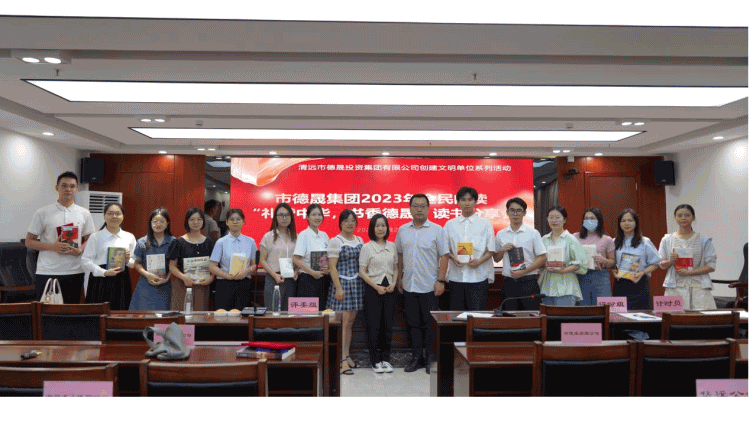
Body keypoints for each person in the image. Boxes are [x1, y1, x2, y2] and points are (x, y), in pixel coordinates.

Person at [396, 194, 449, 373]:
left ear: (428, 208)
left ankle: (429, 359)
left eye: (423, 206)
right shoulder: (403, 230)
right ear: (410, 208)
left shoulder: (437, 230)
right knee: (412, 323)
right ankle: (416, 358)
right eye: (415, 206)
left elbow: (445, 256)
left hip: (429, 286)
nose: (419, 209)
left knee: (429, 324)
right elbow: (400, 255)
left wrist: (440, 280)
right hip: (409, 285)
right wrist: (399, 277)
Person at [25, 171, 96, 303]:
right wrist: (52, 247)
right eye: (64, 186)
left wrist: (80, 250)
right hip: (47, 271)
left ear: (76, 189)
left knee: (71, 311)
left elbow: (91, 238)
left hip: (75, 271)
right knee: (47, 312)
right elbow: (29, 242)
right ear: (57, 188)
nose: (68, 189)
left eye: (72, 186)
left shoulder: (84, 213)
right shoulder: (42, 212)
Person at [443, 186, 496, 310]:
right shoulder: (450, 224)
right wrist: (453, 258)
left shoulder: (485, 223)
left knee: (477, 315)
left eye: (470, 199)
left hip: (478, 278)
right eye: (463, 200)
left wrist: (480, 261)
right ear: (458, 202)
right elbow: (445, 249)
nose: (467, 203)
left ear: (475, 201)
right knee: (457, 315)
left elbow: (491, 250)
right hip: (456, 278)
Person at [658, 204, 718, 310]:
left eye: (687, 215)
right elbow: (661, 264)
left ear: (693, 217)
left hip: (699, 286)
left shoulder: (703, 239)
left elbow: (711, 266)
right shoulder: (667, 239)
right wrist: (670, 261)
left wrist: (691, 272)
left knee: (703, 318)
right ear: (675, 218)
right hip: (674, 286)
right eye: (679, 215)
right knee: (672, 317)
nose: (683, 218)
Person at [326, 209, 365, 375]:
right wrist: (338, 287)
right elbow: (332, 267)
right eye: (346, 220)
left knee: (350, 323)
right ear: (340, 223)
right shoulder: (335, 241)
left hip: (356, 285)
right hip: (342, 284)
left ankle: (347, 355)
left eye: (353, 220)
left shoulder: (360, 240)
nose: (350, 223)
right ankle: (341, 360)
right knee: (343, 323)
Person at [359, 214, 398, 373]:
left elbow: (396, 267)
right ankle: (375, 361)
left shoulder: (392, 246)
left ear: (387, 228)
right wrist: (376, 287)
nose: (380, 228)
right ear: (372, 228)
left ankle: (386, 359)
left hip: (390, 289)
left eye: (383, 225)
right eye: (377, 226)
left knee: (388, 326)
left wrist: (394, 283)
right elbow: (362, 271)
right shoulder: (367, 247)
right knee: (374, 326)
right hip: (373, 289)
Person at [81, 202, 137, 310]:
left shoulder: (129, 237)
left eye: (117, 213)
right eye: (110, 213)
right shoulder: (95, 237)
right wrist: (104, 272)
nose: (114, 216)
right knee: (98, 313)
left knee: (120, 312)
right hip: (100, 280)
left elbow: (135, 263)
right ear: (104, 216)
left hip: (121, 280)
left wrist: (127, 261)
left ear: (123, 216)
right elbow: (85, 260)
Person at [495, 197, 547, 310]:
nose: (515, 214)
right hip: (509, 282)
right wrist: (502, 249)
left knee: (531, 314)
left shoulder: (533, 233)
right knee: (509, 315)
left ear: (524, 213)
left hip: (528, 281)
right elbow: (496, 259)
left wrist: (524, 272)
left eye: (519, 210)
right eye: (512, 210)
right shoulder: (500, 234)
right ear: (507, 212)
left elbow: (542, 257)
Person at [538, 206, 588, 306]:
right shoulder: (544, 239)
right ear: (547, 219)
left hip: (566, 287)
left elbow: (580, 264)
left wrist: (563, 270)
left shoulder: (571, 239)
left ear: (564, 220)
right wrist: (544, 265)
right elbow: (539, 260)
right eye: (551, 217)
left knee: (564, 315)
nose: (554, 220)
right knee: (547, 316)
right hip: (547, 286)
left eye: (557, 217)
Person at [209, 209, 257, 310]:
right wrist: (228, 276)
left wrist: (246, 271)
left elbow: (254, 265)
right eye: (232, 219)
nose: (235, 222)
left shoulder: (250, 242)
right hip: (224, 283)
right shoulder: (220, 242)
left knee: (243, 315)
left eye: (238, 219)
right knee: (223, 315)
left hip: (244, 283)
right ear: (227, 222)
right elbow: (212, 266)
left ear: (243, 222)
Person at [168, 207, 215, 311]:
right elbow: (172, 266)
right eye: (192, 219)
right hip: (182, 284)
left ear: (203, 221)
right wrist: (184, 277)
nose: (196, 222)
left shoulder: (209, 242)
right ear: (187, 221)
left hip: (202, 285)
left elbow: (213, 265)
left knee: (200, 314)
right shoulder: (178, 242)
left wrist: (211, 278)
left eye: (199, 219)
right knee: (181, 314)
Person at [613, 208, 660, 310]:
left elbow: (656, 263)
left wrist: (643, 272)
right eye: (623, 221)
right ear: (619, 224)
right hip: (620, 283)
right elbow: (612, 263)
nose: (626, 223)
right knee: (619, 316)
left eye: (630, 220)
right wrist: (613, 271)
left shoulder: (644, 241)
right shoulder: (614, 242)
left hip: (639, 283)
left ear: (636, 223)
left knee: (641, 315)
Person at [129, 208, 175, 310]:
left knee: (164, 316)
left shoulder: (173, 242)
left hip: (165, 285)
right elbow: (137, 263)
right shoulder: (142, 242)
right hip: (146, 285)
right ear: (150, 223)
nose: (158, 224)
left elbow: (175, 264)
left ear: (167, 224)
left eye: (162, 221)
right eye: (155, 221)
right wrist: (147, 274)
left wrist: (167, 278)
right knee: (144, 316)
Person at [259, 203, 298, 311]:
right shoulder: (268, 236)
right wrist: (274, 275)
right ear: (275, 217)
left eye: (287, 215)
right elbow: (262, 260)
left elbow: (299, 260)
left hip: (291, 279)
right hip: (273, 278)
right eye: (281, 215)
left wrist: (296, 271)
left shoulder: (296, 237)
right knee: (272, 312)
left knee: (289, 313)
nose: (284, 218)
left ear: (291, 217)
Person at [573, 207, 616, 306]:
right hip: (581, 275)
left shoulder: (607, 239)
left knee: (602, 307)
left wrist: (604, 260)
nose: (589, 221)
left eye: (592, 218)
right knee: (583, 308)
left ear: (599, 221)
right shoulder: (575, 237)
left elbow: (612, 262)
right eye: (586, 218)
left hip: (600, 276)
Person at [293, 204, 331, 310]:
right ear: (307, 217)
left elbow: (328, 257)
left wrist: (328, 268)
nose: (317, 217)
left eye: (319, 215)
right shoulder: (303, 235)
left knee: (322, 313)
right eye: (314, 215)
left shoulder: (324, 235)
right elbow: (296, 259)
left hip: (323, 279)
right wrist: (312, 272)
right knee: (306, 314)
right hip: (307, 280)